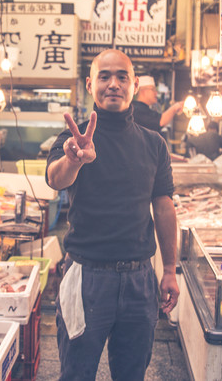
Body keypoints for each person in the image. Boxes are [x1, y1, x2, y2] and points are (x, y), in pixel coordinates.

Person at [45, 49, 179, 380]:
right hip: (87, 276)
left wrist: (171, 269)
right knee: (76, 373)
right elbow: (54, 178)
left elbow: (163, 206)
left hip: (139, 280)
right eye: (104, 76)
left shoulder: (154, 144)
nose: (113, 84)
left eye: (122, 77)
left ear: (134, 84)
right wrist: (74, 160)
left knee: (132, 374)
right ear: (90, 84)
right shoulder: (73, 138)